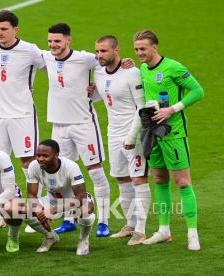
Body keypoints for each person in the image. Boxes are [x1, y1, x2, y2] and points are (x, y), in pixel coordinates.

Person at [133, 30, 204, 250]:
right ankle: (164, 230)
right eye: (136, 49)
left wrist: (172, 109)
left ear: (155, 47)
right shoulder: (143, 70)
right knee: (160, 179)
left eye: (143, 48)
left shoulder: (174, 67)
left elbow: (198, 91)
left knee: (182, 182)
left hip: (174, 134)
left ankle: (192, 233)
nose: (139, 53)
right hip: (153, 133)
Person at [0, 10, 45, 231]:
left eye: (4, 29)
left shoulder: (30, 50)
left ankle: (35, 211)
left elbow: (53, 68)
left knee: (28, 162)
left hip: (22, 114)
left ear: (16, 29)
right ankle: (1, 213)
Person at [43, 23, 114, 236]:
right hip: (58, 125)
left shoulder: (85, 58)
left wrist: (97, 93)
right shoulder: (46, 57)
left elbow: (108, 66)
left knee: (96, 171)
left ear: (68, 40)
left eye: (57, 41)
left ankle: (103, 221)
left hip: (83, 123)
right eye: (50, 41)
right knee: (63, 174)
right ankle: (69, 219)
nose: (53, 45)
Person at [93, 35, 151, 245]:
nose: (99, 55)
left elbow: (142, 107)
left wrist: (132, 136)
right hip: (113, 133)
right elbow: (102, 94)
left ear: (116, 51)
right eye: (97, 51)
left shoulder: (131, 73)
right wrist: (91, 93)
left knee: (138, 179)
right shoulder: (98, 71)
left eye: (104, 51)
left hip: (132, 134)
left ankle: (141, 230)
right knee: (122, 180)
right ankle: (129, 224)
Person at [5, 139, 96, 255]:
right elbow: (31, 194)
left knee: (86, 210)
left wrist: (51, 211)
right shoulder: (34, 165)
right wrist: (39, 212)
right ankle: (50, 237)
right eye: (38, 155)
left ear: (56, 155)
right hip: (51, 201)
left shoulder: (71, 166)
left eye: (45, 155)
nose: (40, 159)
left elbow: (81, 196)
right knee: (12, 208)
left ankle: (83, 240)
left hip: (73, 202)